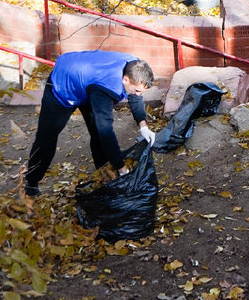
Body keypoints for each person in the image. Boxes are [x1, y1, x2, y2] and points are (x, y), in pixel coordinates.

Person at [24, 51, 157, 196]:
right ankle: (31, 183)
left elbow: (136, 98)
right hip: (64, 86)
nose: (138, 94)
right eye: (136, 90)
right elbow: (106, 131)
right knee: (47, 138)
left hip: (90, 84)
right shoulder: (106, 88)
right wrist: (122, 169)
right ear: (125, 79)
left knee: (98, 135)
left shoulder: (135, 66)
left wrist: (143, 126)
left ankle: (103, 172)